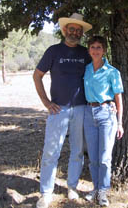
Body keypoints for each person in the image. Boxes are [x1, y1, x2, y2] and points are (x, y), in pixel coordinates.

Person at [33, 13, 92, 208]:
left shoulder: (86, 53)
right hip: (58, 109)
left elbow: (95, 77)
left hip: (82, 108)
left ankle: (72, 187)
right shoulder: (53, 51)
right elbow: (37, 75)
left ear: (81, 33)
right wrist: (46, 102)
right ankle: (46, 193)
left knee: (77, 151)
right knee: (51, 151)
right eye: (71, 29)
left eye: (78, 30)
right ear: (65, 30)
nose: (74, 32)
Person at [83, 36, 124, 206]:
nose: (95, 50)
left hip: (107, 114)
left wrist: (120, 122)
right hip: (88, 113)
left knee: (105, 157)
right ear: (89, 50)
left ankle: (103, 191)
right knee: (93, 156)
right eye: (92, 47)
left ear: (104, 50)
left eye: (99, 47)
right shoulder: (85, 69)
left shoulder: (112, 72)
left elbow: (118, 98)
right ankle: (95, 187)